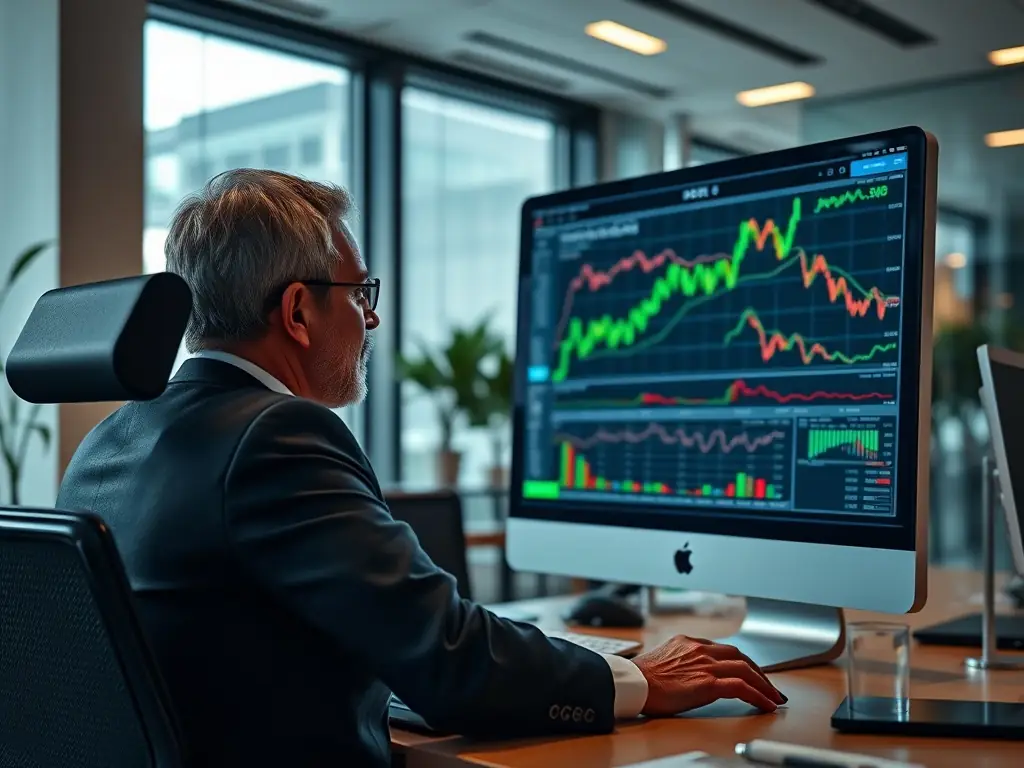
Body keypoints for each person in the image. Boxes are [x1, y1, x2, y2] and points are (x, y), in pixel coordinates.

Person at [57, 169, 785, 767]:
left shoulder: (110, 442)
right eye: (359, 294)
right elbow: (448, 658)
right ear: (298, 312)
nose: (371, 321)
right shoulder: (275, 434)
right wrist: (633, 677)